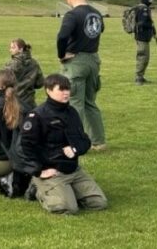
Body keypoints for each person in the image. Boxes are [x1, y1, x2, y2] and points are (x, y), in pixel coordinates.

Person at [19, 74, 108, 215]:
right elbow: (25, 147)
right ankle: (38, 189)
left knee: (98, 203)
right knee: (67, 208)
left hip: (73, 169)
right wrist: (38, 171)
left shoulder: (72, 113)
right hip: (52, 172)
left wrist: (75, 149)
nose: (66, 93)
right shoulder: (37, 116)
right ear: (48, 90)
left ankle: (68, 191)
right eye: (61, 89)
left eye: (67, 89)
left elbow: (85, 140)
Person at [57, 0, 106, 150]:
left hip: (76, 61)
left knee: (75, 103)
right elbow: (100, 30)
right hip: (93, 60)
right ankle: (99, 141)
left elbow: (62, 36)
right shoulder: (97, 13)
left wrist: (61, 54)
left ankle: (75, 143)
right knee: (90, 103)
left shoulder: (72, 15)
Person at [4, 39, 44, 109]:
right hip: (30, 103)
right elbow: (40, 83)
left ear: (21, 49)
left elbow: (3, 82)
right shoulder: (34, 63)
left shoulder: (10, 65)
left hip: (14, 103)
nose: (10, 50)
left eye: (13, 48)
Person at [132, 0, 156, 85]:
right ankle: (139, 77)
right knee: (143, 56)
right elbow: (143, 23)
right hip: (142, 37)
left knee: (145, 57)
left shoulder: (141, 8)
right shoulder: (144, 9)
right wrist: (150, 25)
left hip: (143, 36)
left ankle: (141, 76)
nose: (152, 0)